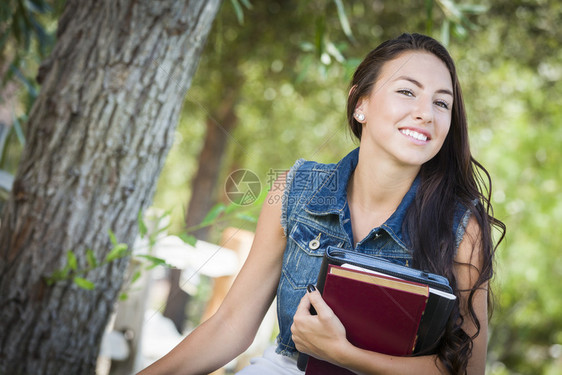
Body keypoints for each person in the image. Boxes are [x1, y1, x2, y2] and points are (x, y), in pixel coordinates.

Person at [139, 33, 505, 375]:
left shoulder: (461, 227)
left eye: (441, 102)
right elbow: (230, 325)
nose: (426, 112)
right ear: (361, 104)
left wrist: (344, 354)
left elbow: (465, 369)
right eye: (408, 92)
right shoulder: (295, 190)